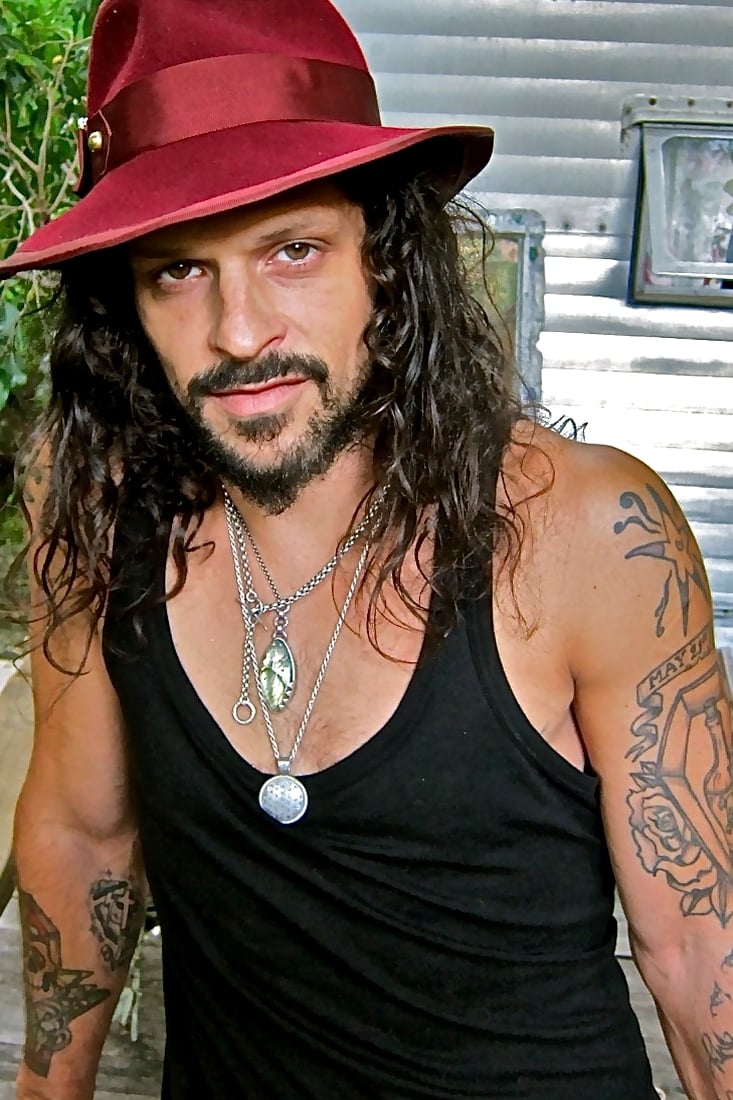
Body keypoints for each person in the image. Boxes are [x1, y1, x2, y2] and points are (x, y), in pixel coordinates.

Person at [2, 0, 731, 1097]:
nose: (239, 331)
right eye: (178, 271)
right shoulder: (101, 514)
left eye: (293, 250)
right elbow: (82, 832)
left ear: (385, 263)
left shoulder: (590, 531)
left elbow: (696, 948)